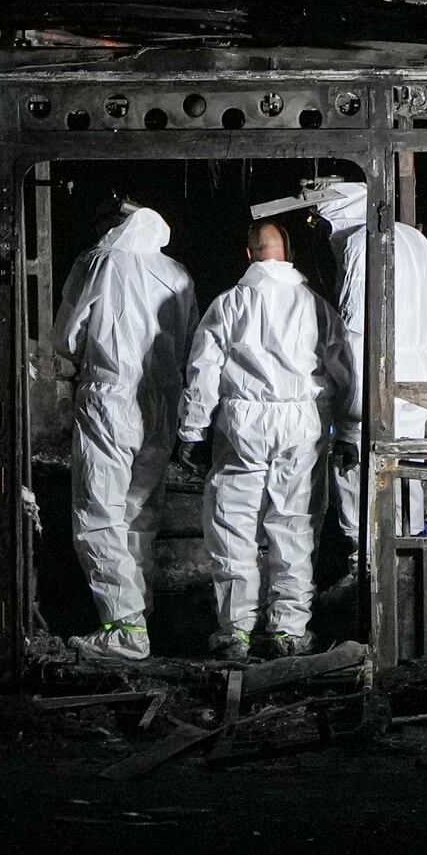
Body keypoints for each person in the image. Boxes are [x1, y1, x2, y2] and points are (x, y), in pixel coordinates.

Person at [176, 221, 357, 661]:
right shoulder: (315, 306)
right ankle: (289, 631)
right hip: (303, 420)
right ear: (287, 252)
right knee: (294, 527)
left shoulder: (230, 303)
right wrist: (349, 430)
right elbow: (343, 369)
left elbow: (204, 370)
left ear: (248, 252)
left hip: (245, 421)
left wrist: (192, 430)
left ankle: (235, 632)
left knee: (233, 526)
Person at [53, 205, 198, 662]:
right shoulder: (177, 272)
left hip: (111, 396)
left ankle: (124, 629)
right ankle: (140, 614)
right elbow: (192, 339)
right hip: (162, 400)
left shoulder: (99, 261)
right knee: (139, 514)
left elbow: (67, 336)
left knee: (99, 510)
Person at [314, 182, 427, 562]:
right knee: (408, 457)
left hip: (379, 365)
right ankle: (410, 543)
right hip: (419, 363)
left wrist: (349, 419)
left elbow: (356, 331)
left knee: (355, 462)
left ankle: (363, 556)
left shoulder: (361, 243)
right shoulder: (418, 242)